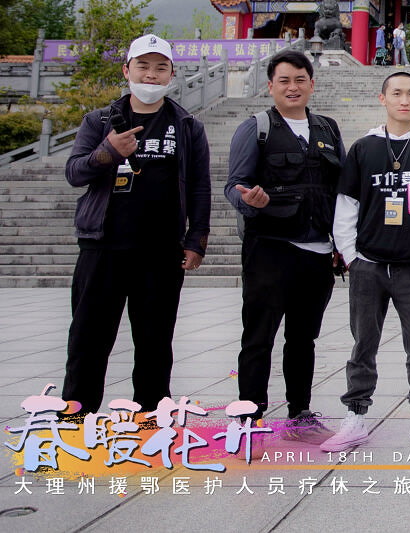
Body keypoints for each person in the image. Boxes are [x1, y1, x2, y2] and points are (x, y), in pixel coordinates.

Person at [61, 34, 210, 414]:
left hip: (160, 252)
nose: (152, 74)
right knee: (88, 340)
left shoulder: (187, 126)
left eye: (161, 68)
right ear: (127, 69)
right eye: (143, 66)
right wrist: (107, 152)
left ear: (172, 74)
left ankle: (150, 420)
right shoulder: (99, 121)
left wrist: (196, 239)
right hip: (104, 246)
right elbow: (74, 173)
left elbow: (199, 187)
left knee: (155, 342)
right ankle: (77, 418)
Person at [321, 71, 410, 452]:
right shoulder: (364, 148)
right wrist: (353, 256)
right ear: (383, 98)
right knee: (363, 343)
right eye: (397, 93)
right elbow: (347, 206)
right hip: (369, 266)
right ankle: (356, 415)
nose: (404, 100)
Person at [225, 49, 344, 442]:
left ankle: (299, 412)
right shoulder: (256, 128)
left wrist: (343, 241)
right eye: (284, 81)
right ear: (271, 86)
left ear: (312, 83)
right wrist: (248, 200)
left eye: (300, 80)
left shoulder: (327, 128)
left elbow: (341, 191)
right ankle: (250, 415)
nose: (292, 87)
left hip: (317, 253)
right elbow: (234, 184)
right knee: (258, 336)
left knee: (303, 338)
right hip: (270, 249)